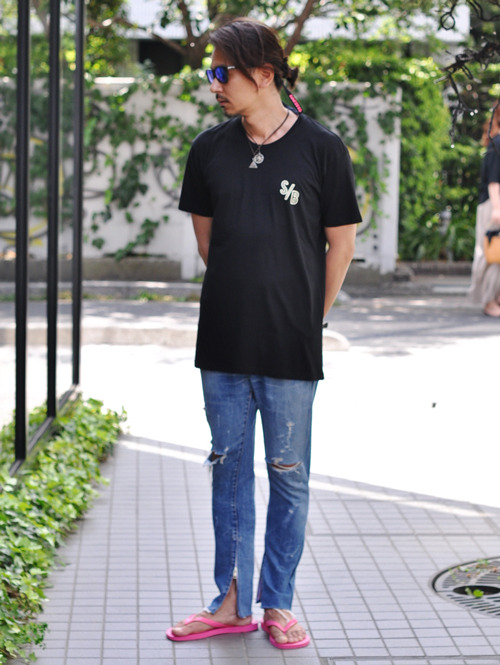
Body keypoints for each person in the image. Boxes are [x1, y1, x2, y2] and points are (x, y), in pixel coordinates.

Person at [166, 17, 361, 649]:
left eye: (222, 72)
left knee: (288, 472)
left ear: (264, 74)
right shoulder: (208, 149)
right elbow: (210, 245)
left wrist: (309, 316)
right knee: (227, 470)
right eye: (211, 72)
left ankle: (277, 604)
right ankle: (229, 603)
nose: (214, 84)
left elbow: (340, 245)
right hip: (223, 341)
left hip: (290, 345)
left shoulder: (322, 148)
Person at [469, 106, 500, 317]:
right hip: (493, 204)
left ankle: (495, 297)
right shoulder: (498, 143)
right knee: (492, 255)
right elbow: (494, 181)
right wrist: (497, 209)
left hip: (494, 203)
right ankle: (488, 300)